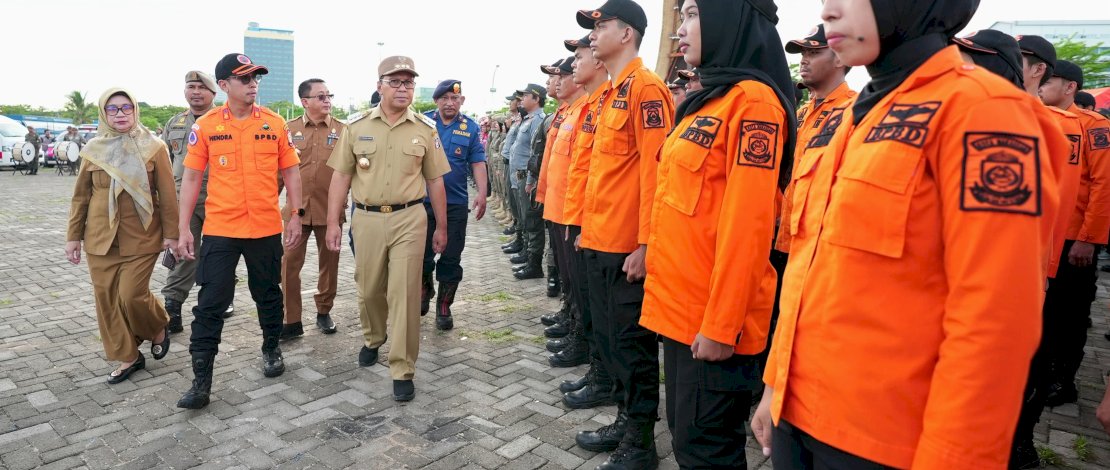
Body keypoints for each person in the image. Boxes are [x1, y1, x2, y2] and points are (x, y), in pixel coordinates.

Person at [750, 0, 1061, 468]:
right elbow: (810, 267)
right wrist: (776, 384)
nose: (829, 10)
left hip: (885, 442)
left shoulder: (985, 112)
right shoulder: (862, 113)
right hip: (799, 416)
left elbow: (995, 322)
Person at [640, 1, 794, 468]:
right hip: (681, 313)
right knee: (688, 441)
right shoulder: (713, 99)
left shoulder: (755, 105)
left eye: (692, 15)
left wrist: (722, 325)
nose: (679, 32)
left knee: (708, 451)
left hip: (711, 324)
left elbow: (747, 226)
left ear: (730, 19)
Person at [959, 32, 1081, 469]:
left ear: (1037, 69)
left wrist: (1046, 272)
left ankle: (1018, 442)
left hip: (1042, 265)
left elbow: (1062, 203)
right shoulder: (977, 116)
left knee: (1028, 360)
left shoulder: (1050, 127)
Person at [573, 1, 674, 468]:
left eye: (602, 25)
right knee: (612, 341)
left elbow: (658, 173)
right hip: (600, 240)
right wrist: (586, 231)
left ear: (628, 34)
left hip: (626, 249)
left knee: (632, 348)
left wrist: (647, 244)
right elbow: (604, 174)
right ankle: (622, 419)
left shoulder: (647, 89)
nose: (594, 33)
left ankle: (640, 441)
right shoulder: (615, 91)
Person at [175, 53, 304, 409]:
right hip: (220, 229)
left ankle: (271, 347)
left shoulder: (275, 124)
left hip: (264, 228)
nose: (253, 85)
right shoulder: (208, 126)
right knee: (210, 303)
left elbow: (292, 171)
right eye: (245, 79)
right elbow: (191, 178)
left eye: (255, 79)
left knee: (267, 294)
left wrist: (296, 215)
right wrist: (184, 227)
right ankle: (201, 381)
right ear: (225, 85)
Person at [324, 55, 450, 402]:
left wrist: (442, 226)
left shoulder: (425, 129)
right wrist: (334, 222)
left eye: (408, 82)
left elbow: (436, 181)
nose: (403, 88)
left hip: (410, 218)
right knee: (368, 289)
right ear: (379, 85)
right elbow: (341, 177)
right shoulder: (357, 126)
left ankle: (402, 367)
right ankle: (373, 337)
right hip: (365, 219)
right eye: (395, 81)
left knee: (405, 294)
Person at [65, 88, 177, 384]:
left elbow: (167, 196)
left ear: (135, 110)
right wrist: (73, 237)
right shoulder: (92, 149)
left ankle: (158, 325)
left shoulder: (154, 147)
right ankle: (129, 357)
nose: (120, 114)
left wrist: (172, 235)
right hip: (100, 237)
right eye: (113, 109)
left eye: (126, 108)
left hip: (142, 236)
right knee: (107, 300)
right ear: (104, 113)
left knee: (131, 295)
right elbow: (81, 198)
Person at [1036, 59, 1110, 408]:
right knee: (1047, 313)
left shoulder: (1093, 126)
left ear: (1070, 88)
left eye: (1051, 80)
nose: (1042, 85)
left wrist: (1089, 239)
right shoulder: (1039, 117)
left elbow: (1104, 185)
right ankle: (1044, 373)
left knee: (1071, 313)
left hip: (1074, 239)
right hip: (1045, 236)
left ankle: (1063, 380)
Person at [560, 33, 617, 411]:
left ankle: (608, 384)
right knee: (586, 302)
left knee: (615, 326)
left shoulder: (637, 94)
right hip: (583, 222)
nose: (574, 64)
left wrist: (644, 244)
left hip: (614, 234)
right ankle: (598, 370)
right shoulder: (592, 106)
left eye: (579, 56)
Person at [777, 23, 855, 255]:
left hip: (820, 244)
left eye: (814, 52)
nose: (803, 60)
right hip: (783, 237)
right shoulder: (800, 114)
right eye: (803, 54)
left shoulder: (854, 111)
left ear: (840, 58)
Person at [279, 78, 347, 340]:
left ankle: (323, 310)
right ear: (305, 102)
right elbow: (278, 171)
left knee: (329, 265)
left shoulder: (343, 131)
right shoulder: (288, 129)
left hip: (330, 212)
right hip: (297, 212)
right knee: (289, 265)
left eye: (329, 95)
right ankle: (291, 319)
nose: (327, 100)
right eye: (320, 96)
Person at [161, 71, 227, 334]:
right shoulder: (174, 123)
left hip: (219, 200)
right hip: (182, 201)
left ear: (214, 93)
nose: (196, 92)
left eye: (202, 87)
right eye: (191, 86)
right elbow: (166, 164)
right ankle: (172, 307)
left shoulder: (225, 120)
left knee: (218, 255)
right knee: (182, 254)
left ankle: (218, 301)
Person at [421, 79, 488, 330]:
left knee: (450, 258)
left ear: (462, 101)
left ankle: (444, 306)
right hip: (422, 203)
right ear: (436, 101)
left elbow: (478, 162)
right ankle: (424, 287)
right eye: (445, 98)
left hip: (456, 204)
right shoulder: (423, 123)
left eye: (455, 99)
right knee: (421, 256)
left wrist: (482, 192)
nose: (450, 103)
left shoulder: (469, 128)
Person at [507, 84, 548, 280]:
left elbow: (536, 154)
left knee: (532, 221)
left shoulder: (538, 120)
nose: (521, 99)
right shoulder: (528, 119)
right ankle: (527, 254)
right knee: (524, 217)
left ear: (536, 98)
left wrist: (531, 179)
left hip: (528, 177)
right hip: (520, 176)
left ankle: (534, 264)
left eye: (525, 96)